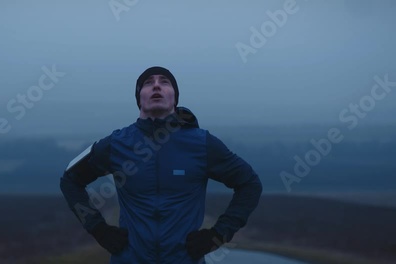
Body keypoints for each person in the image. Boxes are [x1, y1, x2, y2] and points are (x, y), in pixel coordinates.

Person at [60, 66, 263, 263]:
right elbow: (70, 180)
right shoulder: (117, 144)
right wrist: (99, 230)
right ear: (139, 99)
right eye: (148, 83)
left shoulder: (202, 144)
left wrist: (218, 234)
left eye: (164, 82)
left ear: (175, 98)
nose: (156, 86)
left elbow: (250, 183)